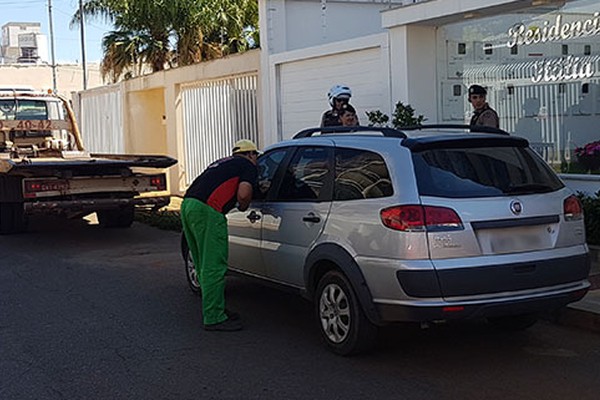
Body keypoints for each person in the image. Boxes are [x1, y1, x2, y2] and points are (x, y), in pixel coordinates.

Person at [181, 139, 259, 331]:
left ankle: (216, 308)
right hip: (208, 210)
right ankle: (214, 317)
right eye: (256, 154)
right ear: (250, 154)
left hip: (188, 205)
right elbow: (243, 195)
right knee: (214, 265)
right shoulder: (248, 166)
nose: (256, 158)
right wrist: (244, 205)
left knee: (202, 263)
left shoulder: (223, 162)